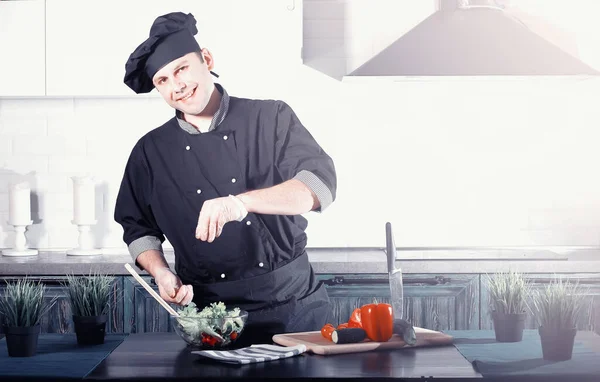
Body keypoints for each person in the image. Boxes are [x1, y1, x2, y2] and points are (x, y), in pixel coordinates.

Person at [115, 11, 337, 346]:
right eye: (163, 81)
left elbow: (317, 188)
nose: (177, 86)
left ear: (206, 59)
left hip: (293, 309)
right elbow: (137, 229)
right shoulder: (150, 152)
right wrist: (161, 272)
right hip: (210, 319)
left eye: (181, 69)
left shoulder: (270, 117)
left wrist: (240, 203)